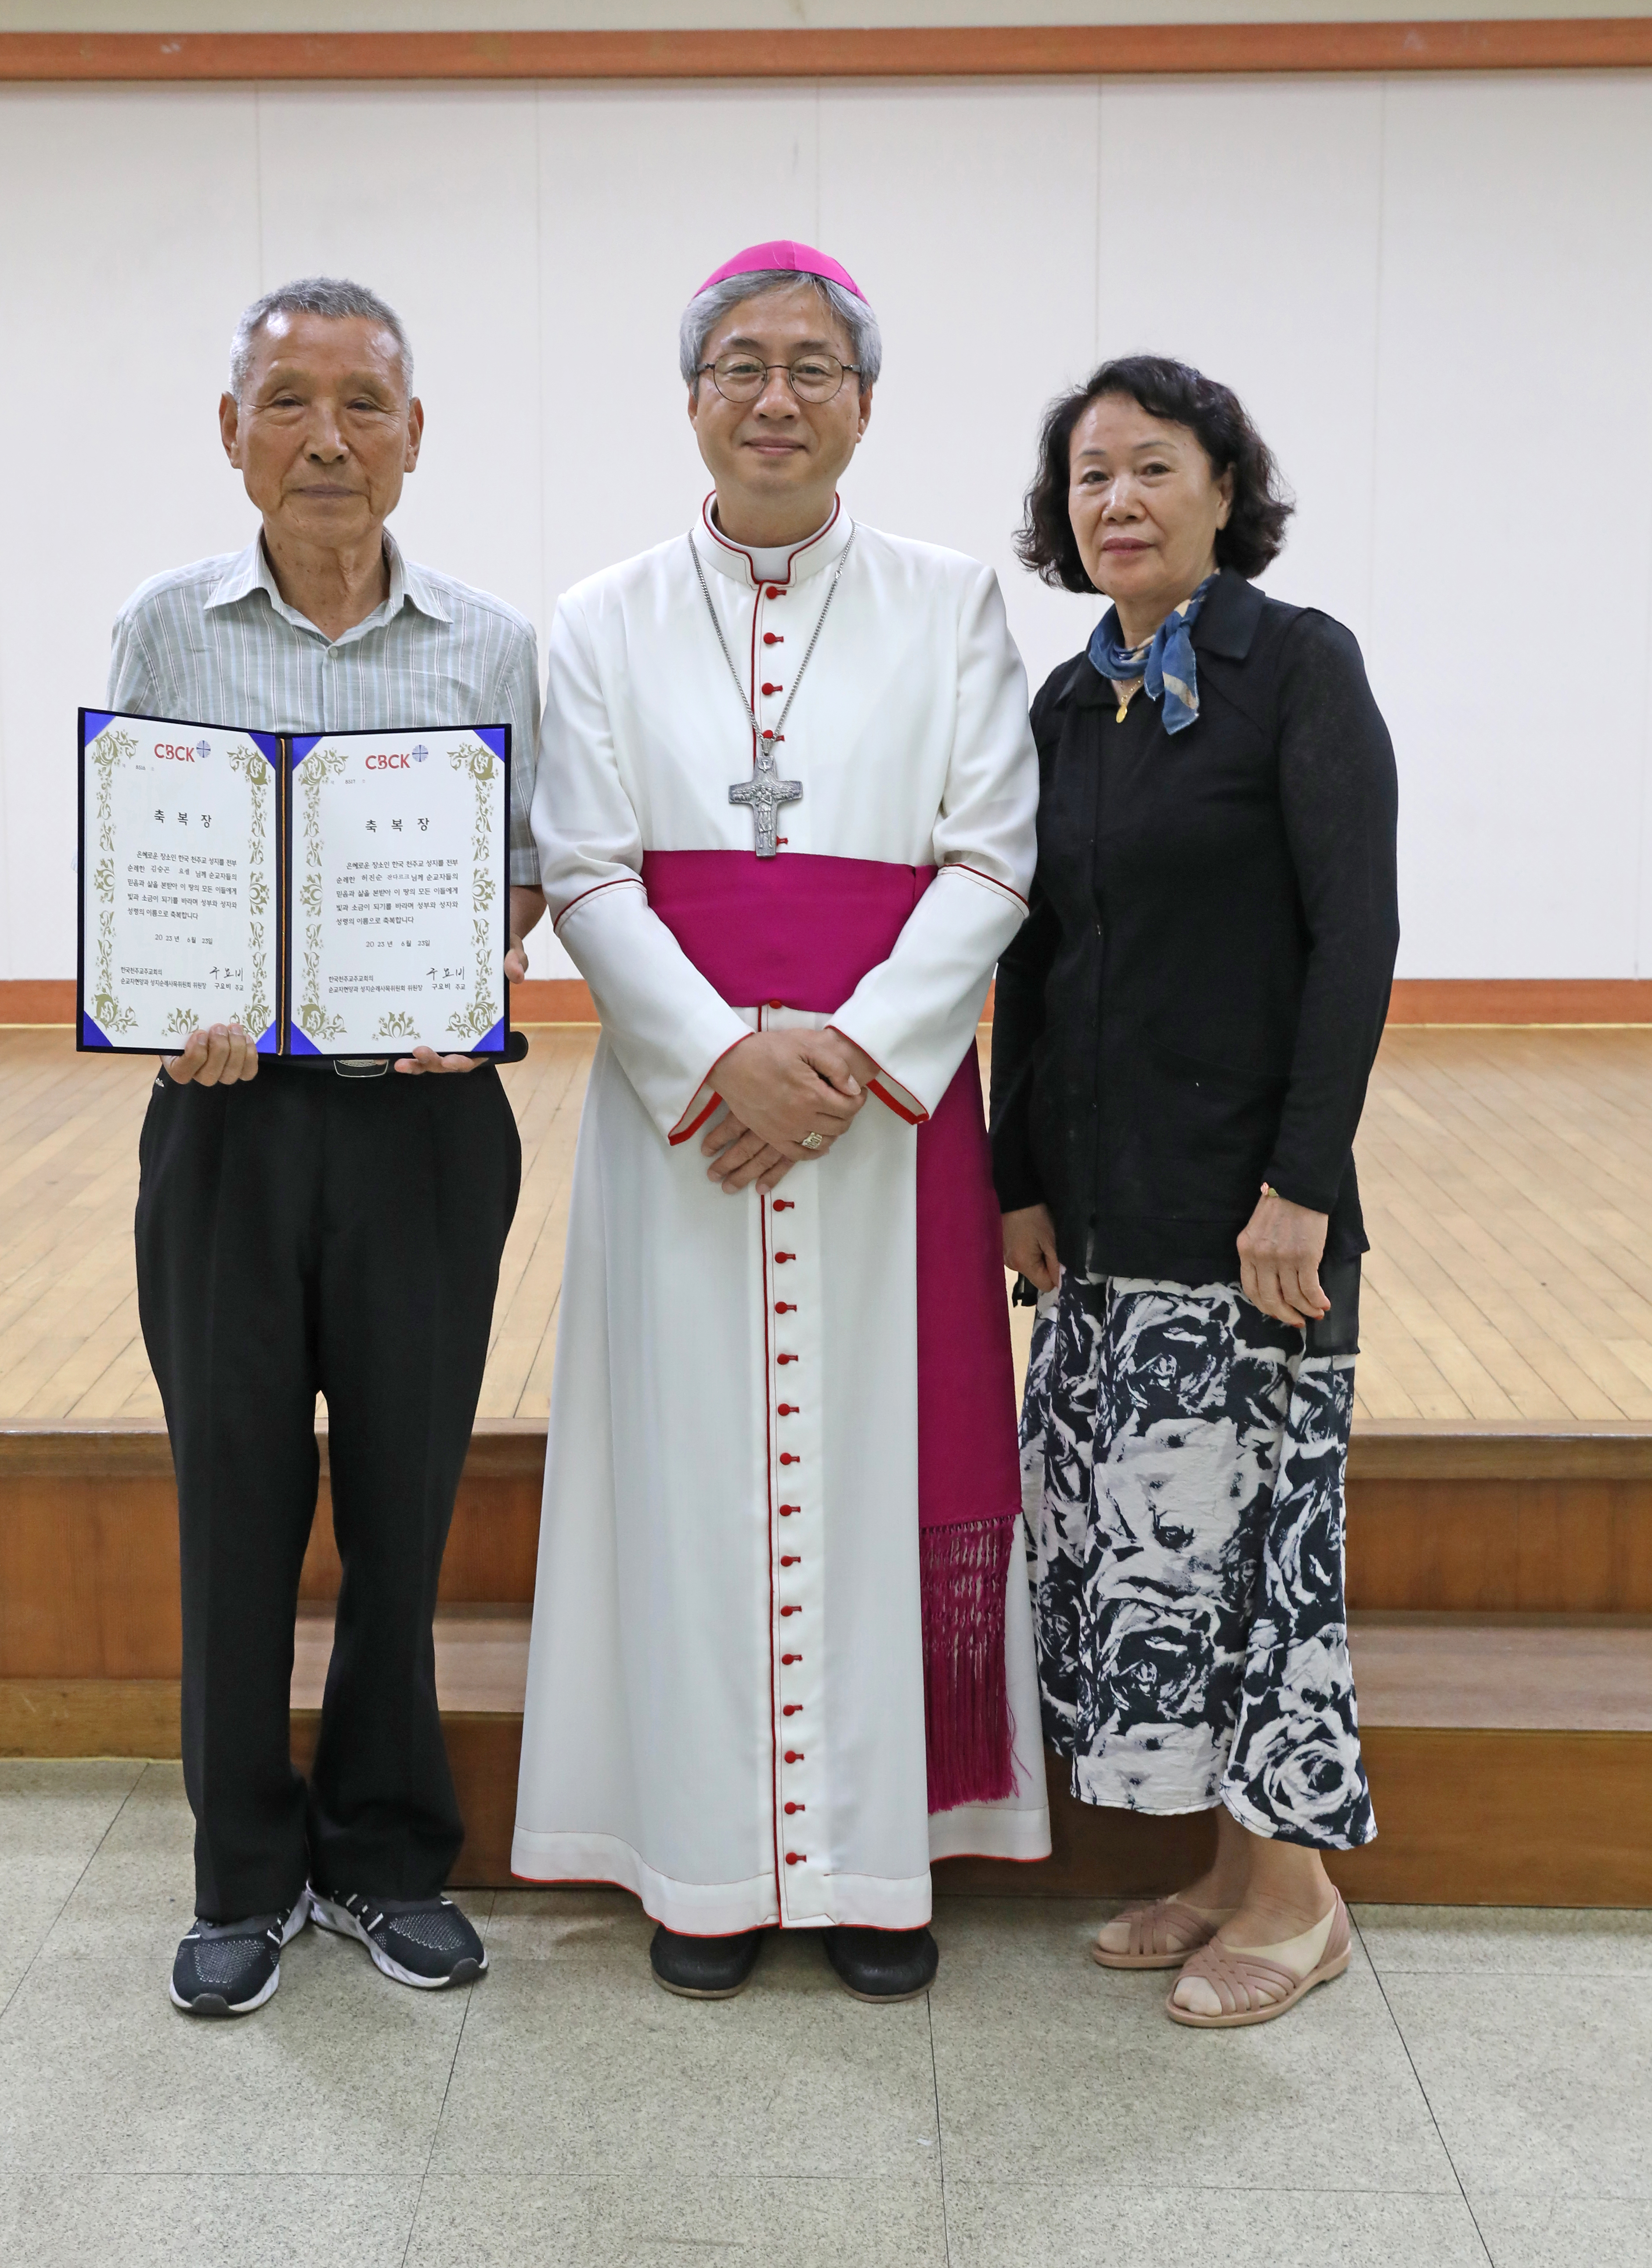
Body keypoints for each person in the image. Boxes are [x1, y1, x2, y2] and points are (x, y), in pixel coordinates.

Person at [513, 239, 1050, 2003]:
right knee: (690, 1479)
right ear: (692, 399)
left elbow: (989, 853)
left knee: (880, 1471)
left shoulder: (952, 600)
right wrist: (714, 1054)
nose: (776, 397)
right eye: (741, 364)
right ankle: (708, 1865)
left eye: (813, 367)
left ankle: (878, 1866)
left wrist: (849, 1057)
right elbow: (584, 862)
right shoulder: (596, 619)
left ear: (865, 406)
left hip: (883, 1124)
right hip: (686, 1129)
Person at [107, 276, 546, 2017]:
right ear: (232, 436)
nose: (326, 440)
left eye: (363, 405)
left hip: (429, 1124)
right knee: (232, 1491)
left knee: (403, 1495)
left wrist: (476, 960)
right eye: (287, 401)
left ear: (414, 438)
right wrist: (173, 1002)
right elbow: (142, 863)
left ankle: (383, 1850)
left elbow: (527, 864)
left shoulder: (491, 642)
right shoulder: (164, 626)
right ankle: (239, 1868)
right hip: (222, 1125)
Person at [991, 354, 1399, 2028]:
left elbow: (1354, 939)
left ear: (1226, 490)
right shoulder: (1065, 702)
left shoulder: (1299, 669)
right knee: (1162, 1557)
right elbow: (1030, 957)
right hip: (1103, 1215)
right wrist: (1018, 1183)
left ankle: (1297, 1899)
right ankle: (1228, 1871)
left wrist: (1301, 1182)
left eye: (1153, 469)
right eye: (1090, 478)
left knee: (1264, 1557)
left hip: (1251, 1222)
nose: (1119, 504)